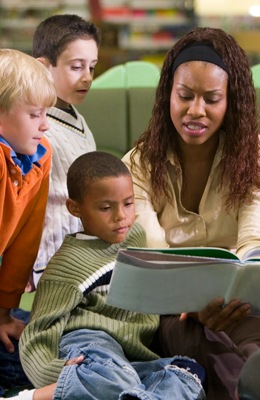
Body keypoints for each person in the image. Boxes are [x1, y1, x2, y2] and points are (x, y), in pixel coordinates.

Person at [123, 27, 260, 400]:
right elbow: (154, 253)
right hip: (170, 305)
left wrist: (225, 300)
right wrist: (194, 305)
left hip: (239, 300)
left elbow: (256, 242)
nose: (196, 110)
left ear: (231, 102)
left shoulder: (255, 156)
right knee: (196, 341)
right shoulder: (138, 164)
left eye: (212, 99)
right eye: (185, 96)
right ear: (168, 95)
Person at [15, 151, 205, 400]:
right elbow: (38, 331)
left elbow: (149, 290)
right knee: (116, 377)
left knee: (188, 372)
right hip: (90, 344)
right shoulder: (66, 266)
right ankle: (32, 398)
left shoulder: (135, 235)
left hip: (130, 357)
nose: (121, 216)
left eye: (128, 203)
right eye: (106, 208)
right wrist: (56, 372)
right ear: (75, 208)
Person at [0, 49, 57, 397]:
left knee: (27, 352)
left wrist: (4, 313)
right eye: (34, 114)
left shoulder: (40, 156)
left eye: (46, 113)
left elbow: (25, 241)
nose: (45, 124)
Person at [31, 14, 100, 289]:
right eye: (76, 67)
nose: (88, 78)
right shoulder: (36, 125)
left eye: (92, 68)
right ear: (43, 67)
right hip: (53, 260)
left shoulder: (77, 118)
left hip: (84, 250)